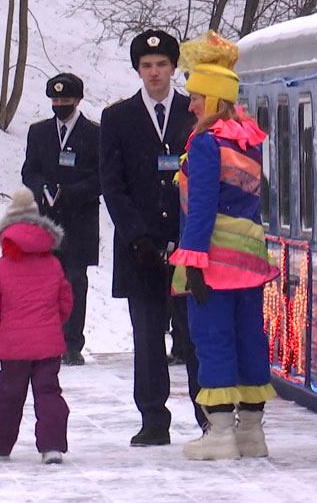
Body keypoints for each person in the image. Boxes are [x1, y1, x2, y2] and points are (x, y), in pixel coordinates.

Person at [168, 31, 279, 460]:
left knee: (212, 340)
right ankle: (251, 431)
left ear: (214, 99)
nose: (191, 104)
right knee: (250, 337)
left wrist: (192, 260)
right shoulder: (247, 141)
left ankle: (219, 434)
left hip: (213, 261)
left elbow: (201, 207)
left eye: (197, 97)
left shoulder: (205, 142)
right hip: (250, 261)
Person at [99, 29, 206, 446]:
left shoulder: (192, 110)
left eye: (162, 65)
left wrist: (189, 237)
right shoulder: (119, 117)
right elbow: (113, 183)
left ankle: (207, 415)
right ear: (137, 69)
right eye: (146, 66)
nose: (155, 72)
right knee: (146, 338)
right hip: (139, 249)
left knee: (194, 336)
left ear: (174, 67)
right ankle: (153, 419)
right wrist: (137, 237)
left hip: (187, 245)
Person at [0, 188, 73, 464]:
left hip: (14, 346)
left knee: (8, 394)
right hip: (47, 344)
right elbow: (65, 301)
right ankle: (52, 446)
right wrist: (51, 325)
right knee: (48, 393)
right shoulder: (54, 265)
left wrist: (5, 331)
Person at [21, 73, 100, 366]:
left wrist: (73, 193)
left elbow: (102, 176)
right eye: (55, 100)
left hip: (80, 220)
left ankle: (71, 343)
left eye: (65, 100)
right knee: (46, 282)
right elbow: (29, 170)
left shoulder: (94, 133)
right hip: (47, 220)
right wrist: (43, 188)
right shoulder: (39, 132)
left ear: (77, 100)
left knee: (75, 281)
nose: (59, 105)